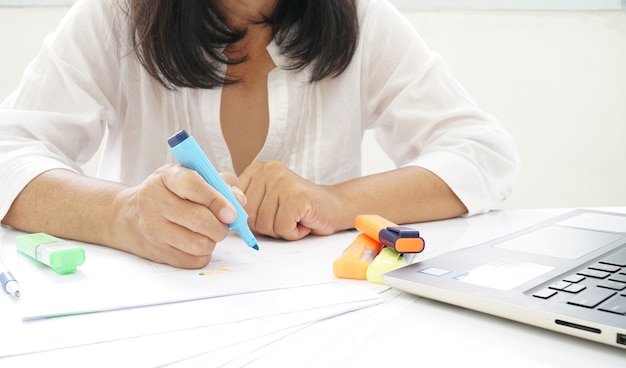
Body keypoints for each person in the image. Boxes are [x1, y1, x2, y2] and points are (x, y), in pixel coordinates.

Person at [0, 0, 519, 269]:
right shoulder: (115, 15)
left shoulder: (361, 17)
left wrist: (336, 202)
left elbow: (485, 154)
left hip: (318, 330)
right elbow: (9, 152)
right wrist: (122, 213)